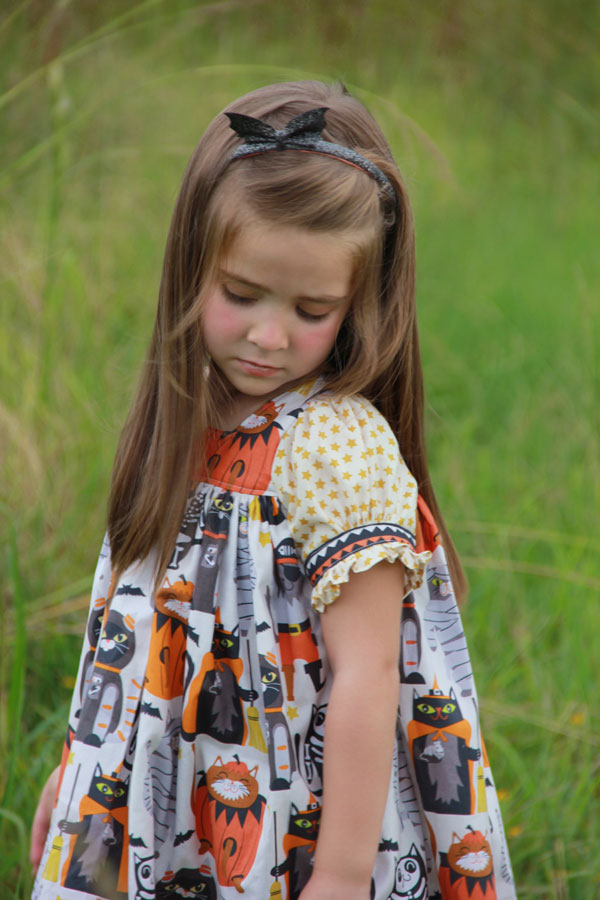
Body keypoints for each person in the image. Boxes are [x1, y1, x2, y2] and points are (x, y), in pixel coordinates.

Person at [30, 80, 516, 900]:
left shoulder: (334, 442)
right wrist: (80, 769)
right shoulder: (184, 420)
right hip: (154, 805)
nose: (267, 335)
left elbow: (367, 679)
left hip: (293, 828)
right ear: (193, 266)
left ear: (360, 304)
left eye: (311, 307)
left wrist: (339, 873)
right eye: (240, 294)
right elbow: (133, 629)